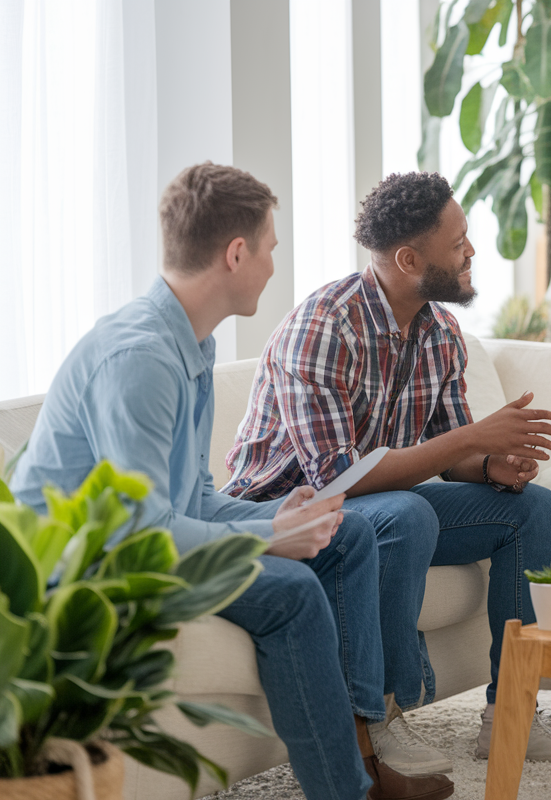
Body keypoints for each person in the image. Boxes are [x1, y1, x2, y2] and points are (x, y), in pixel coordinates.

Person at [10, 163, 453, 800]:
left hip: (144, 540)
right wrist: (268, 541)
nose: (274, 265)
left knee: (348, 536)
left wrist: (275, 518)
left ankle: (362, 760)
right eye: (270, 248)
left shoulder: (192, 343)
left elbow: (189, 498)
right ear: (236, 253)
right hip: (78, 571)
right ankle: (346, 793)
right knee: (293, 589)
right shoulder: (142, 358)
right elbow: (138, 533)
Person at [223, 170, 551, 765]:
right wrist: (469, 442)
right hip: (283, 517)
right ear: (408, 257)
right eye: (458, 243)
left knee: (533, 510)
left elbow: (451, 453)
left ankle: (514, 715)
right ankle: (383, 714)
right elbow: (335, 479)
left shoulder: (440, 330)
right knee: (406, 513)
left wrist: (491, 467)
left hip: (371, 504)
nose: (472, 251)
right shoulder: (324, 327)